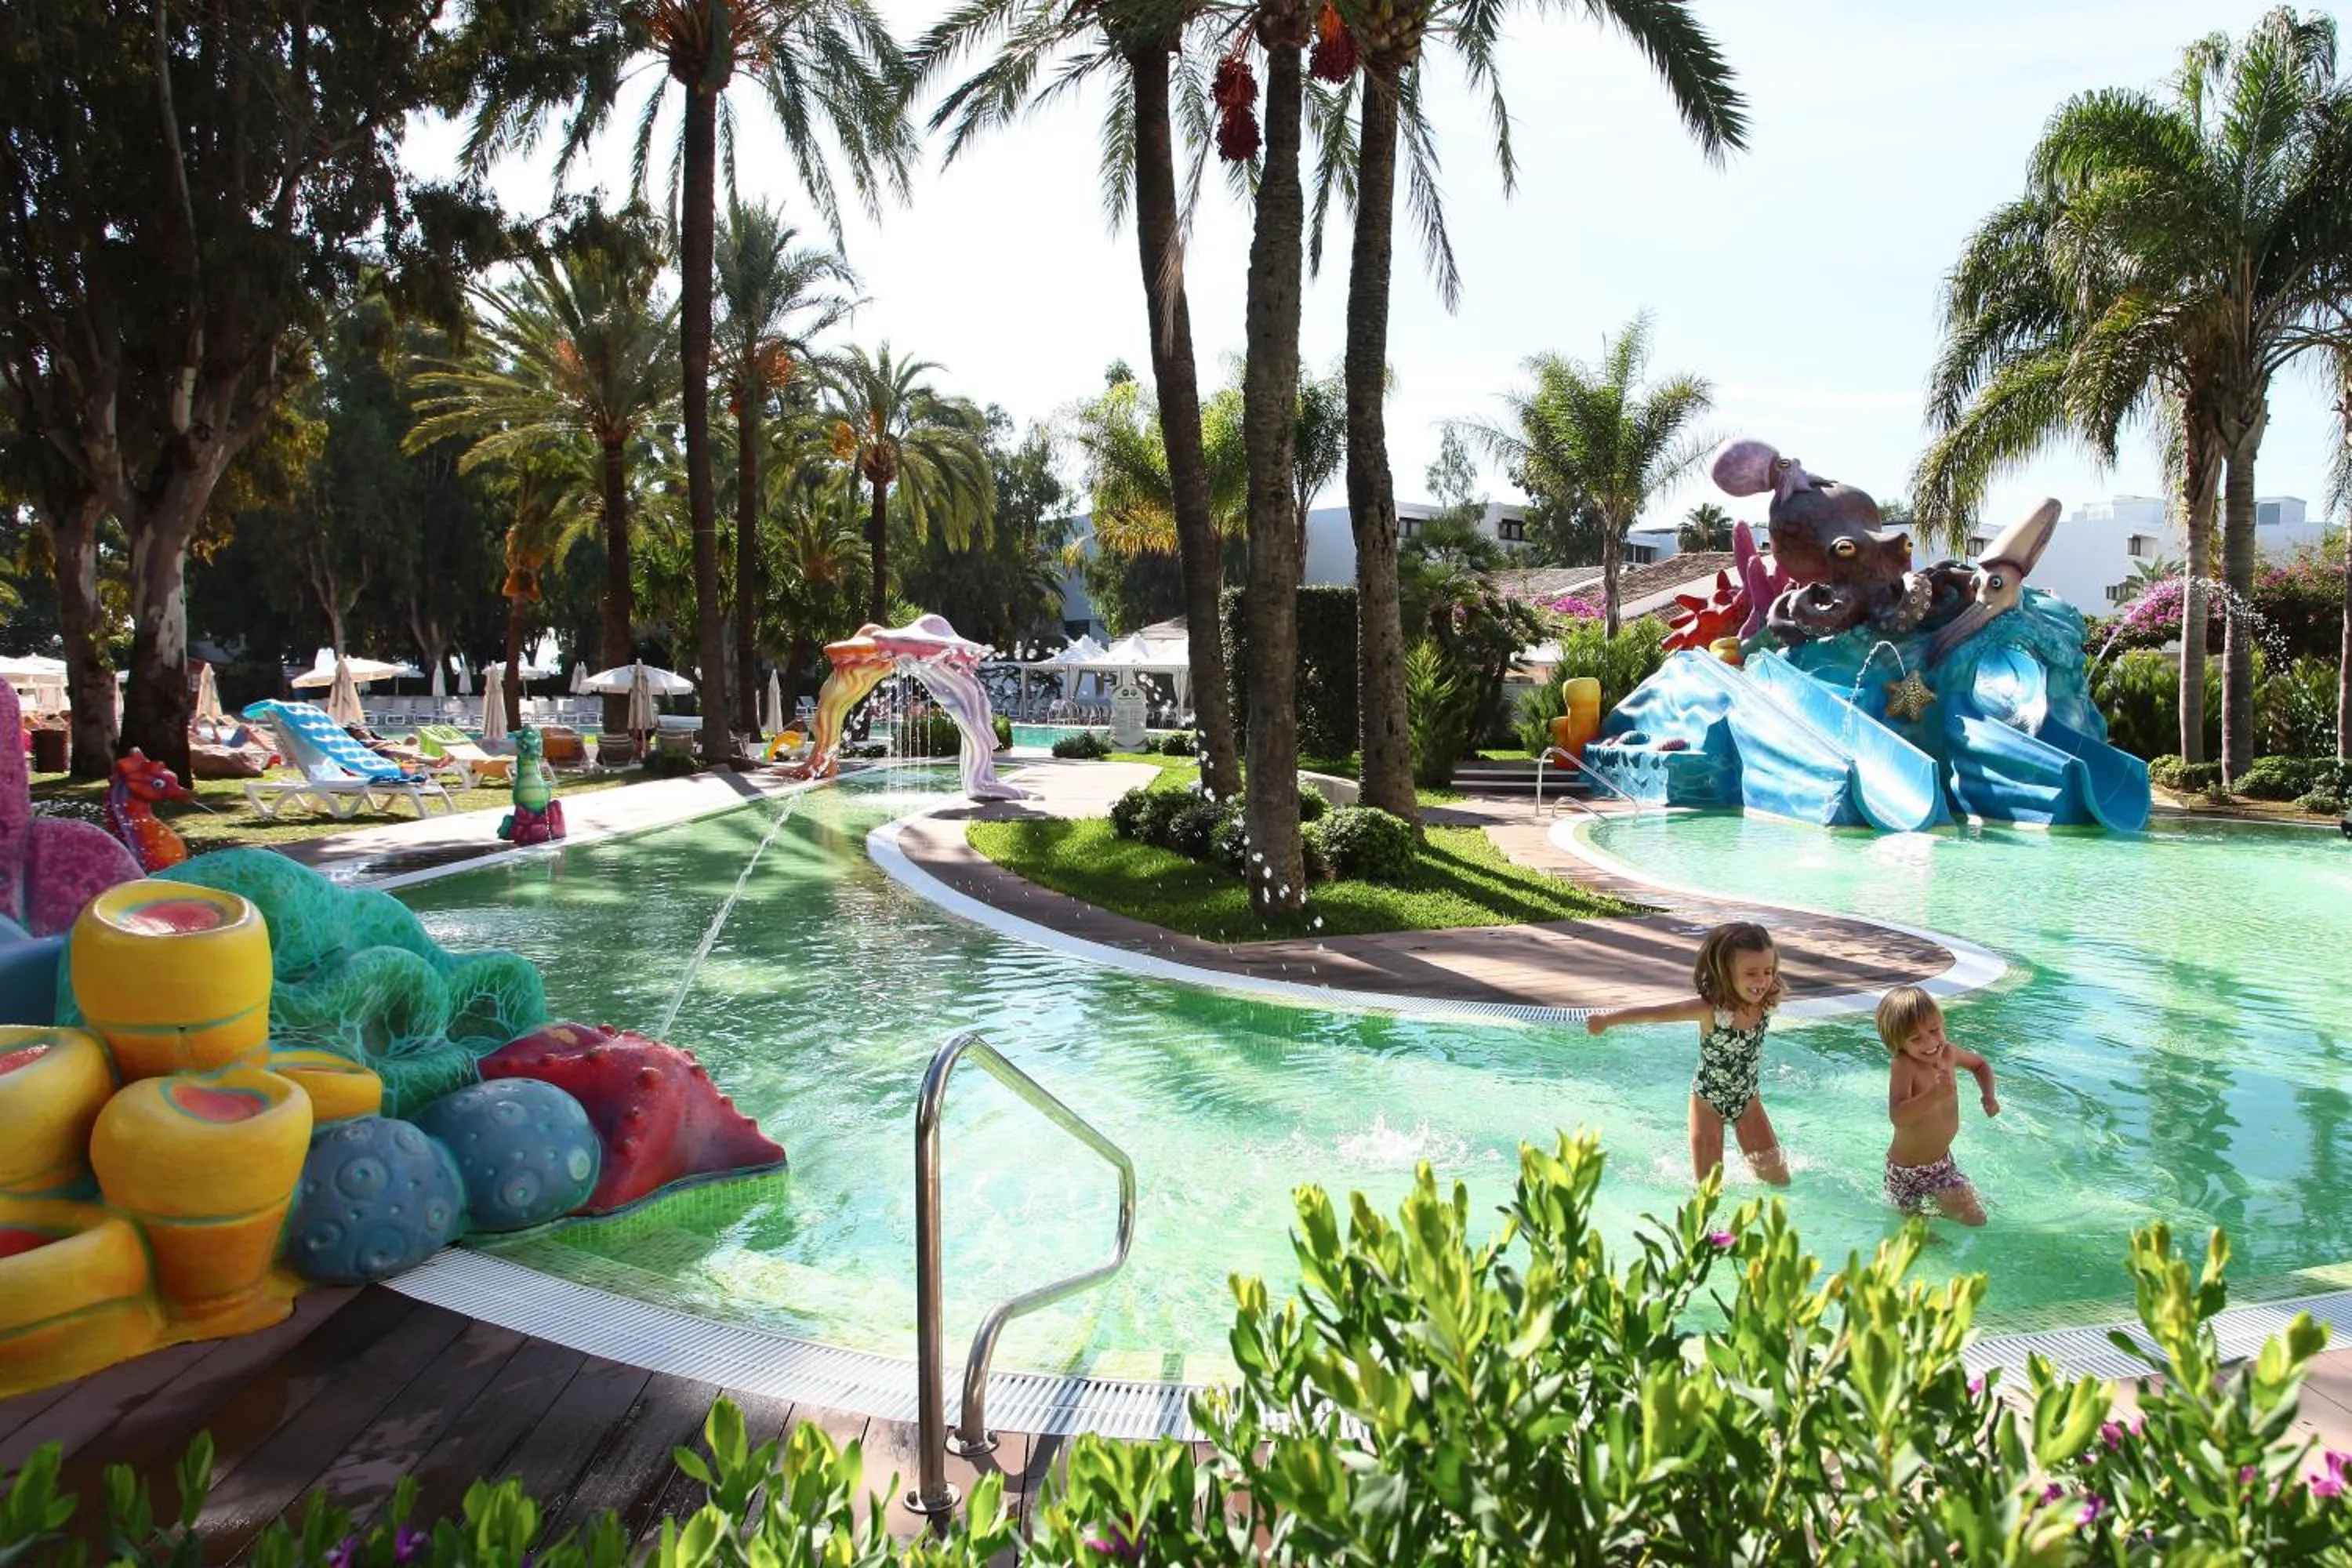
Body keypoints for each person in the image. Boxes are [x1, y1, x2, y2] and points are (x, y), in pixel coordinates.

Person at [1587, 922, 1790, 1185]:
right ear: (1726, 973)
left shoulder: (1767, 1000)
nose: (1762, 981)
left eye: (1768, 971)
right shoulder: (1709, 1010)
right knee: (1709, 1191)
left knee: (1779, 1181)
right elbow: (1654, 1013)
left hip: (1749, 1104)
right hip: (1708, 1106)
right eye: (1751, 973)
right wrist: (1608, 1020)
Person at [1878, 985, 1997, 1225]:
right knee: (1919, 1233)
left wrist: (1988, 1095)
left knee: (1976, 1219)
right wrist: (1934, 1094)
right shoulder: (1903, 1065)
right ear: (1898, 1043)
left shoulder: (1949, 1054)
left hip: (1942, 1165)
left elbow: (1980, 1065)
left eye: (1935, 1030)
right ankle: (1927, 1213)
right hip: (1904, 1171)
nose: (1930, 1042)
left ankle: (1943, 1204)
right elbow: (1898, 1116)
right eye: (1916, 1039)